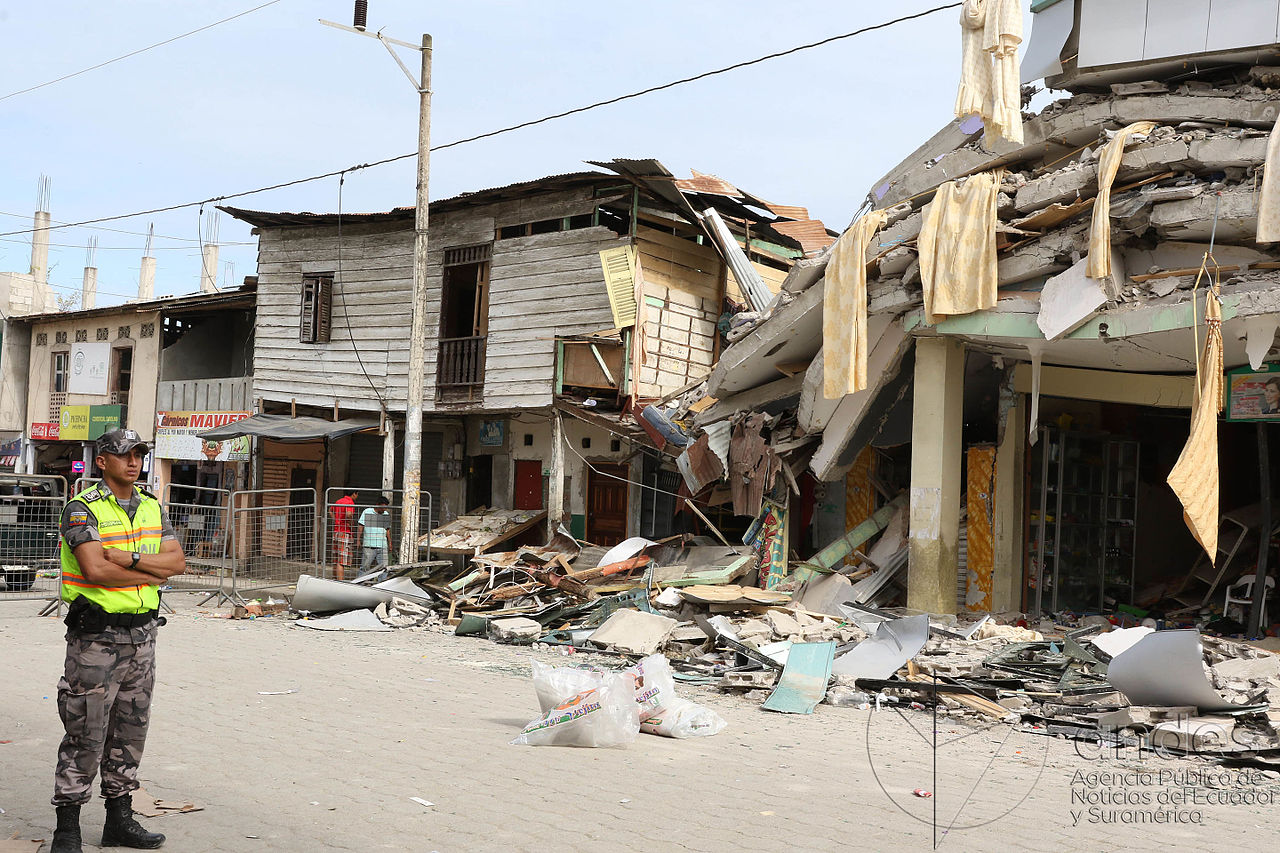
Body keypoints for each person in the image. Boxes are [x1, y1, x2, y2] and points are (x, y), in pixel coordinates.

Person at [51, 429, 187, 852]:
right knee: (86, 731)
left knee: (131, 730)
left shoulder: (151, 506)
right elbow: (95, 570)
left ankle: (119, 819)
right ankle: (67, 829)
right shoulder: (82, 509)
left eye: (139, 455)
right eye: (124, 454)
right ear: (102, 461)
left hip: (142, 636)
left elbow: (177, 563)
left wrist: (130, 559)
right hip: (96, 638)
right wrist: (151, 572)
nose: (133, 462)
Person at [358, 496, 392, 571]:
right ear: (377, 504)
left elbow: (387, 530)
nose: (384, 510)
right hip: (369, 545)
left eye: (385, 508)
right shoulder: (367, 512)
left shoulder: (386, 514)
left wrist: (390, 543)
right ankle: (362, 578)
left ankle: (382, 579)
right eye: (382, 508)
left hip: (382, 545)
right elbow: (361, 526)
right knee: (365, 567)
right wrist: (358, 539)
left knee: (384, 567)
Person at [330, 489, 358, 580]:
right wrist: (350, 522)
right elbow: (349, 514)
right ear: (354, 494)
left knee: (336, 559)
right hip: (344, 532)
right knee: (341, 561)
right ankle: (340, 582)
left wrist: (336, 520)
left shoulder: (339, 501)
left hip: (336, 532)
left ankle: (334, 580)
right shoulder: (349, 502)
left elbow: (330, 510)